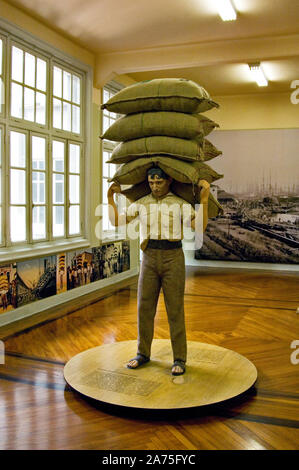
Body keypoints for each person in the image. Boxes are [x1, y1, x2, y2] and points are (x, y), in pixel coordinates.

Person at [107, 167, 210, 375]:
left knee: (175, 310)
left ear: (169, 180)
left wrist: (205, 200)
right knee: (144, 308)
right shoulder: (142, 203)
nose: (155, 186)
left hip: (174, 258)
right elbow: (117, 221)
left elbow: (199, 227)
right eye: (151, 183)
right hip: (149, 257)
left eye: (159, 182)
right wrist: (109, 198)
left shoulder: (180, 204)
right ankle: (142, 354)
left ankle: (179, 359)